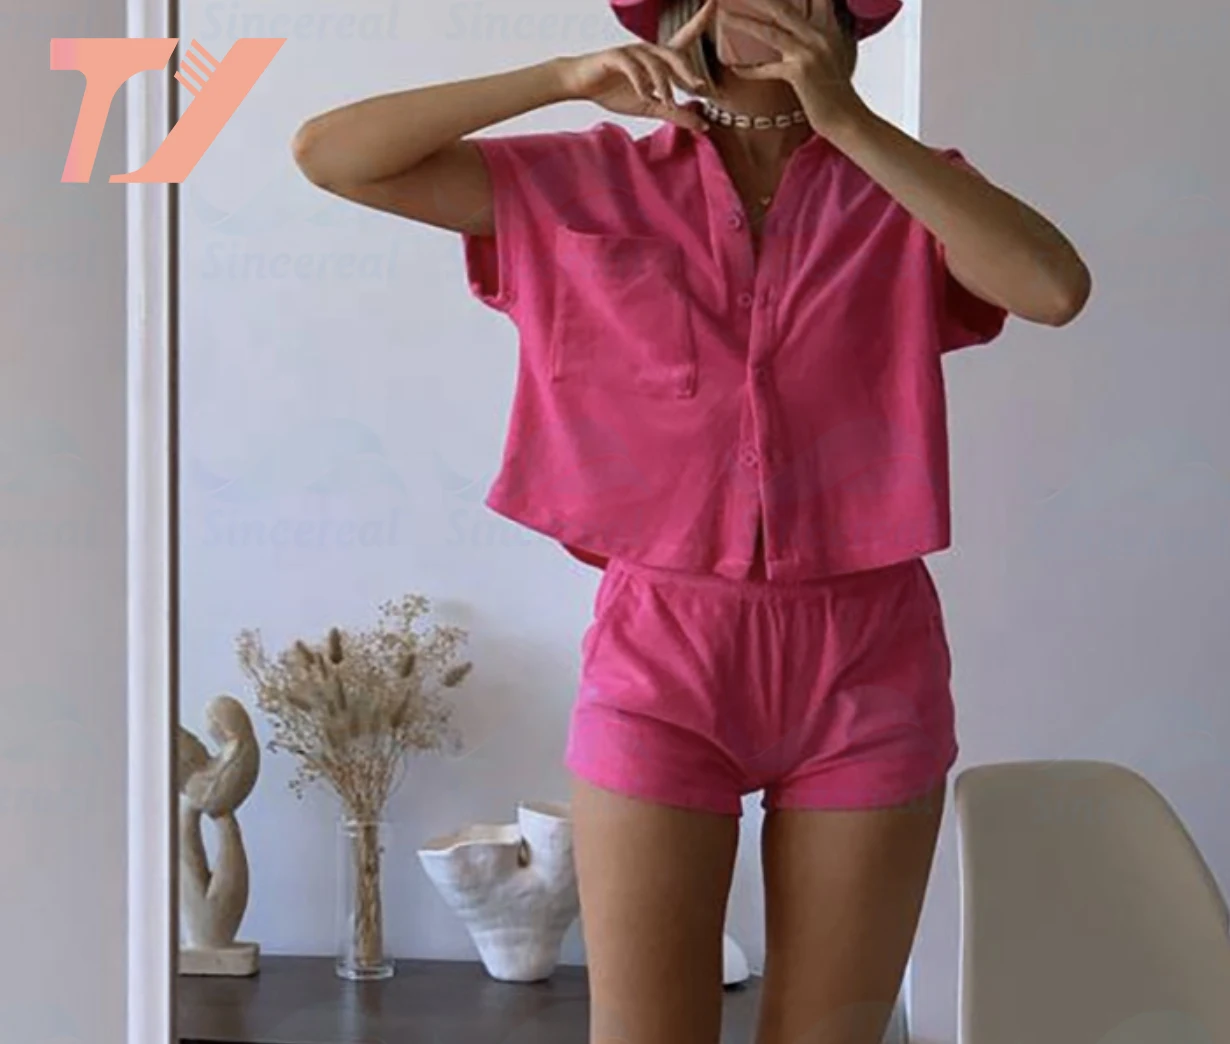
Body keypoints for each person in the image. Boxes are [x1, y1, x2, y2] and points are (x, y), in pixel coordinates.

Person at [291, 1, 1091, 1040]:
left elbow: (1053, 288)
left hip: (871, 658)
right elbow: (331, 155)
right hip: (660, 652)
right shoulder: (587, 179)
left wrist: (846, 121)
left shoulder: (902, 186)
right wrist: (562, 77)